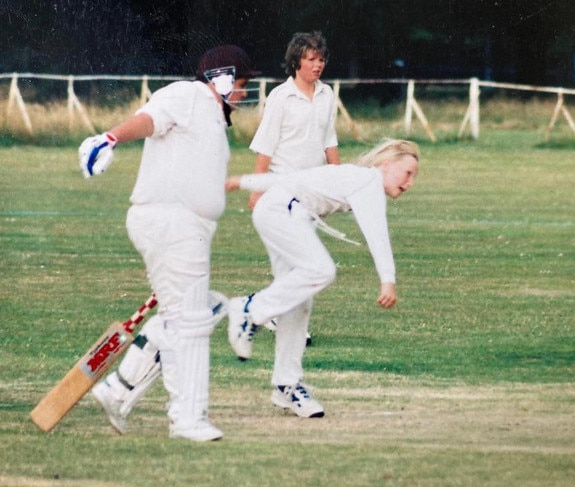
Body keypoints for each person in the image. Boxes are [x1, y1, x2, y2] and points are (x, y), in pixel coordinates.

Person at [78, 45, 260, 441]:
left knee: (206, 308)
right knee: (190, 323)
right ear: (224, 78)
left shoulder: (212, 116)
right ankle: (187, 419)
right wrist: (110, 138)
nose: (244, 94)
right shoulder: (188, 94)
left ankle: (119, 389)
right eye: (241, 84)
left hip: (186, 228)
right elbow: (149, 119)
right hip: (170, 222)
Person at [225, 139, 419, 417]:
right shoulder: (368, 181)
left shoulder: (355, 176)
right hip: (282, 212)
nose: (410, 182)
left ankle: (286, 385)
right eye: (407, 173)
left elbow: (294, 177)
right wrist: (387, 279)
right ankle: (248, 309)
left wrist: (244, 181)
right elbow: (377, 232)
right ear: (385, 165)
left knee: (298, 302)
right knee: (321, 270)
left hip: (282, 212)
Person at [248, 30, 340, 348]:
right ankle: (284, 320)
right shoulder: (280, 97)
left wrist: (338, 181)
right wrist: (256, 190)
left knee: (300, 260)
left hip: (312, 189)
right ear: (296, 62)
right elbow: (265, 146)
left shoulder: (327, 95)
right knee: (293, 260)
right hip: (280, 188)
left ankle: (268, 310)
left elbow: (330, 140)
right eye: (311, 59)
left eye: (321, 59)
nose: (318, 65)